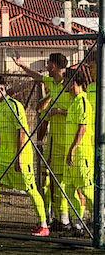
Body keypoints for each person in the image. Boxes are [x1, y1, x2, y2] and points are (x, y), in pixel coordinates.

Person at [0, 77, 48, 236]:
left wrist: (19, 157)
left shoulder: (14, 105)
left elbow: (21, 132)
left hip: (19, 155)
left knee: (30, 189)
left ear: (2, 88)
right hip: (2, 155)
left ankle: (43, 225)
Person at [15, 52, 70, 227]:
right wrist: (22, 65)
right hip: (54, 142)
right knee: (51, 180)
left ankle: (72, 220)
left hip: (70, 142)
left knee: (67, 183)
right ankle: (58, 218)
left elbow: (81, 112)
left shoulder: (70, 85)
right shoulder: (52, 83)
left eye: (48, 63)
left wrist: (59, 111)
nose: (45, 66)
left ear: (52, 65)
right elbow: (37, 76)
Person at [64, 68, 93, 232]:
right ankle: (77, 222)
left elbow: (82, 128)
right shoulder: (73, 102)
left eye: (66, 82)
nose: (65, 86)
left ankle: (99, 219)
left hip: (81, 155)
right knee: (68, 188)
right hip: (71, 155)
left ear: (72, 82)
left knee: (87, 190)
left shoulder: (82, 101)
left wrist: (73, 149)